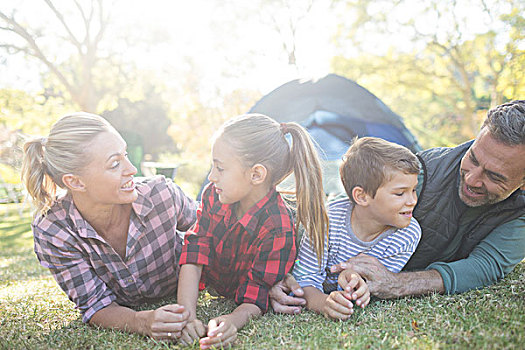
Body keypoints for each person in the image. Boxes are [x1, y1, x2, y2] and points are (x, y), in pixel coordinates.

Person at [270, 100, 525, 312]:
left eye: (494, 176)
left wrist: (397, 283)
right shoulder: (425, 170)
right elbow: (332, 218)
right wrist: (276, 273)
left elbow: (487, 265)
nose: (471, 179)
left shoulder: (519, 213)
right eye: (472, 157)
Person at [21, 112, 197, 339]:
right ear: (75, 181)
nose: (132, 169)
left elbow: (211, 234)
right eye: (115, 164)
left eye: (125, 155)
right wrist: (141, 321)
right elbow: (94, 304)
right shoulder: (53, 230)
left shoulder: (161, 194)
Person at [176, 113, 329, 348]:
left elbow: (255, 296)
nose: (211, 176)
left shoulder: (278, 228)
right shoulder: (212, 195)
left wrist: (232, 321)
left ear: (256, 174)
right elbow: (194, 255)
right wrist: (187, 316)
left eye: (220, 168)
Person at [292, 137, 421, 320]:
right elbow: (303, 277)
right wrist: (323, 303)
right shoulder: (326, 223)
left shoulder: (407, 235)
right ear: (361, 196)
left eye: (413, 190)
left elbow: (377, 283)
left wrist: (358, 285)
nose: (412, 201)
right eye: (400, 193)